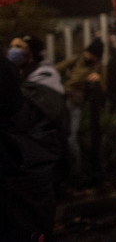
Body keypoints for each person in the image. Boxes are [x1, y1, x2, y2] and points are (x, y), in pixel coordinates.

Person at [1, 40, 69, 242]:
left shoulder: (44, 75)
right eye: (12, 45)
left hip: (25, 158)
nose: (14, 49)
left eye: (20, 45)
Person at [56, 38, 106, 187]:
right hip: (65, 97)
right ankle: (72, 175)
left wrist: (98, 81)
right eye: (88, 52)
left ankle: (77, 173)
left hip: (77, 102)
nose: (88, 56)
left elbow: (104, 86)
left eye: (91, 54)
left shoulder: (98, 67)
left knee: (71, 139)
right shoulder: (78, 59)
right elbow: (57, 68)